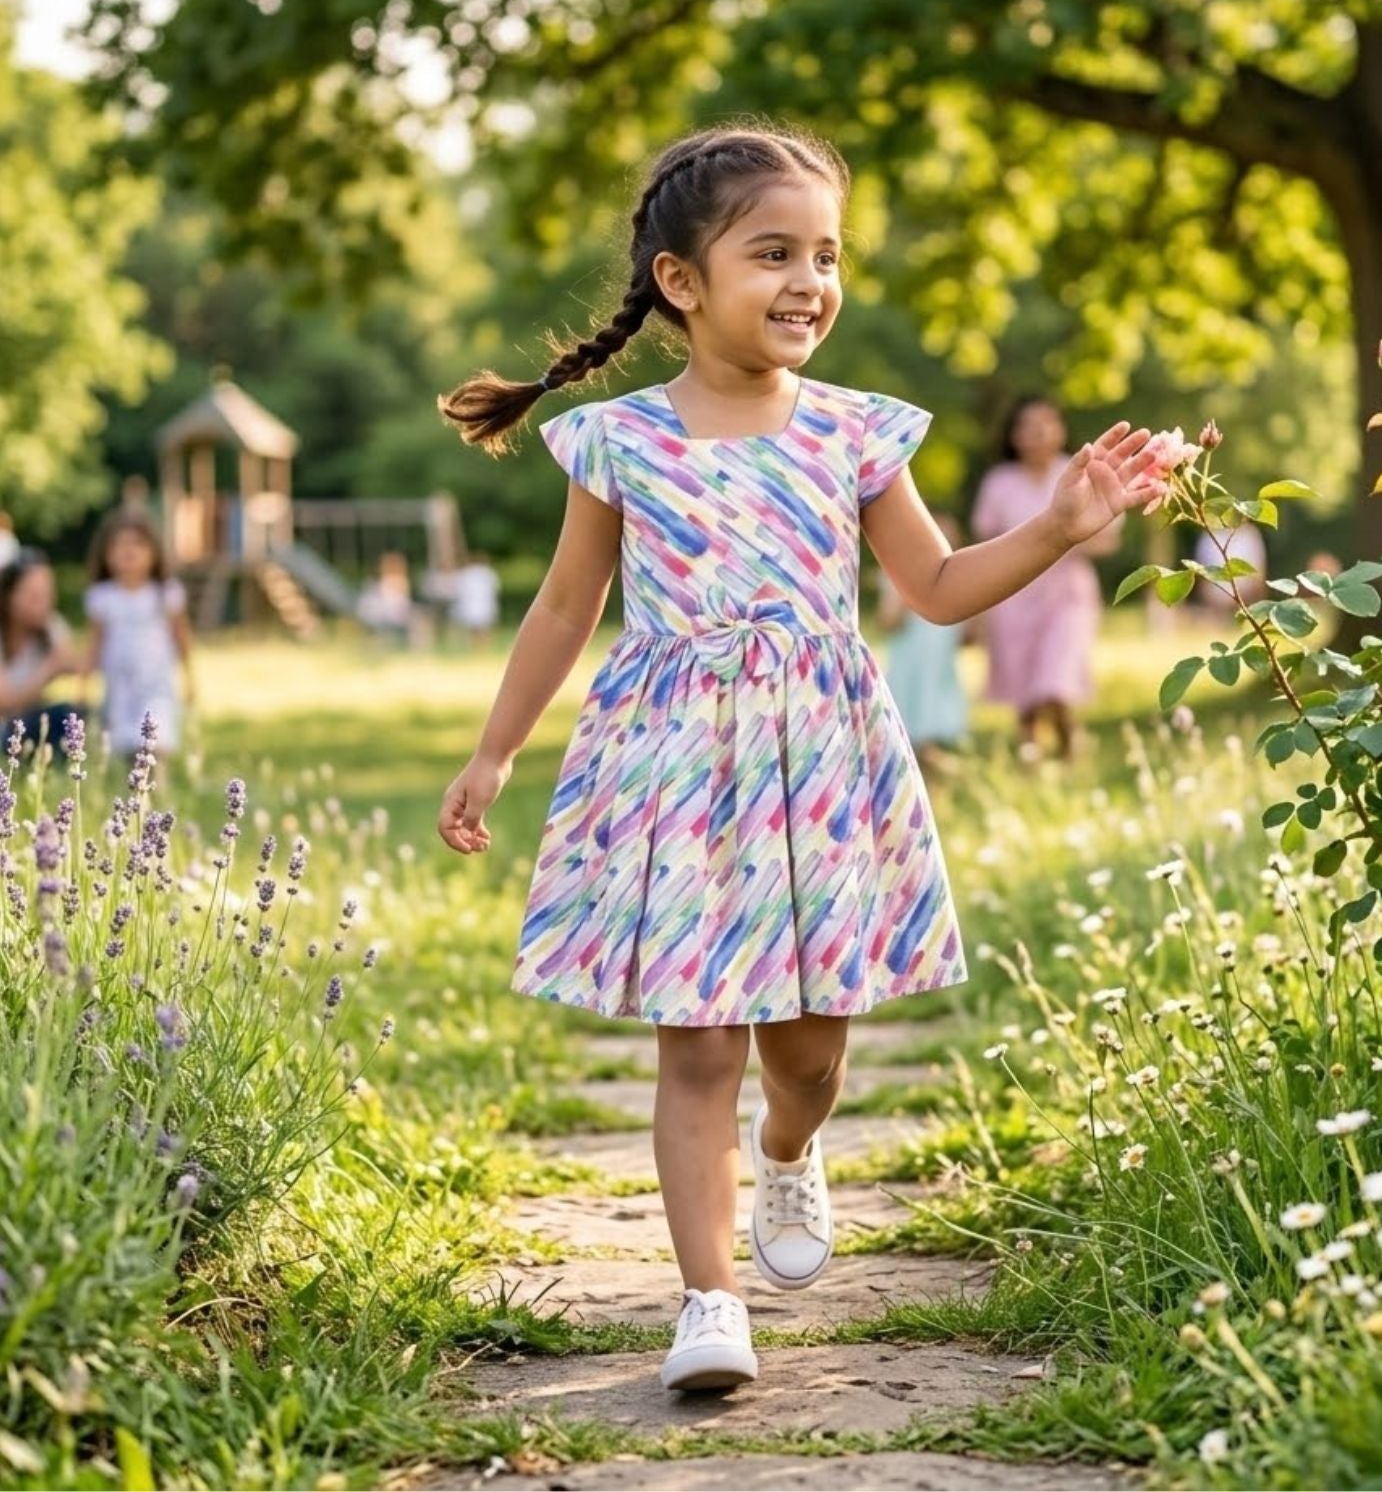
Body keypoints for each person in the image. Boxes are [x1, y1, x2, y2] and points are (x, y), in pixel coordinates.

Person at [432, 124, 1166, 1395]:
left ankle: (787, 1151)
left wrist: (1058, 527)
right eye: (773, 253)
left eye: (825, 255)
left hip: (823, 762)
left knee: (810, 1050)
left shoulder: (853, 433)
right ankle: (708, 1299)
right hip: (676, 768)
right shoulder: (621, 444)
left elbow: (934, 589)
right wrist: (495, 754)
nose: (809, 282)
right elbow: (564, 610)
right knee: (698, 1043)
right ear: (682, 281)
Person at [972, 395, 1125, 763]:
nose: (1037, 433)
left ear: (1061, 430)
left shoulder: (1080, 474)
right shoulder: (999, 482)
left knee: (1055, 679)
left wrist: (1067, 537)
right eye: (1027, 425)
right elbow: (985, 541)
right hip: (1013, 592)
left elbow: (1107, 539)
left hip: (1067, 594)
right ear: (1013, 436)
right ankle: (1032, 756)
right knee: (1024, 684)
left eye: (1046, 423)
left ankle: (1069, 743)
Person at [876, 511, 983, 775]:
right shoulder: (901, 576)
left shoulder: (957, 583)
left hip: (939, 667)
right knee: (911, 716)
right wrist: (906, 595)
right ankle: (920, 768)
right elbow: (888, 621)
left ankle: (933, 768)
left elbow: (968, 637)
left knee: (935, 716)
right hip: (911, 665)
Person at [83, 506, 194, 762]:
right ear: (106, 554)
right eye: (119, 545)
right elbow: (95, 642)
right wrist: (84, 680)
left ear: (154, 553)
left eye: (137, 544)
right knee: (124, 743)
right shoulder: (103, 597)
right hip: (119, 683)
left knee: (156, 737)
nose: (128, 551)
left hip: (156, 681)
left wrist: (189, 677)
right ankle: (131, 798)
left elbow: (181, 636)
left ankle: (159, 790)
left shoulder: (164, 593)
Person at [0, 548, 88, 748]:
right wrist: (49, 670)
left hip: (30, 728)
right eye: (32, 595)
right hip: (5, 730)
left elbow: (77, 670)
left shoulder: (52, 627)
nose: (42, 603)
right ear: (8, 597)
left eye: (46, 594)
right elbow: (4, 704)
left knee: (72, 716)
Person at [449, 552, 501, 647]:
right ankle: (484, 645)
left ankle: (473, 645)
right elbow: (495, 588)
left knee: (473, 628)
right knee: (484, 627)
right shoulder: (488, 572)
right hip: (484, 603)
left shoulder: (466, 573)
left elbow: (457, 590)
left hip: (471, 604)